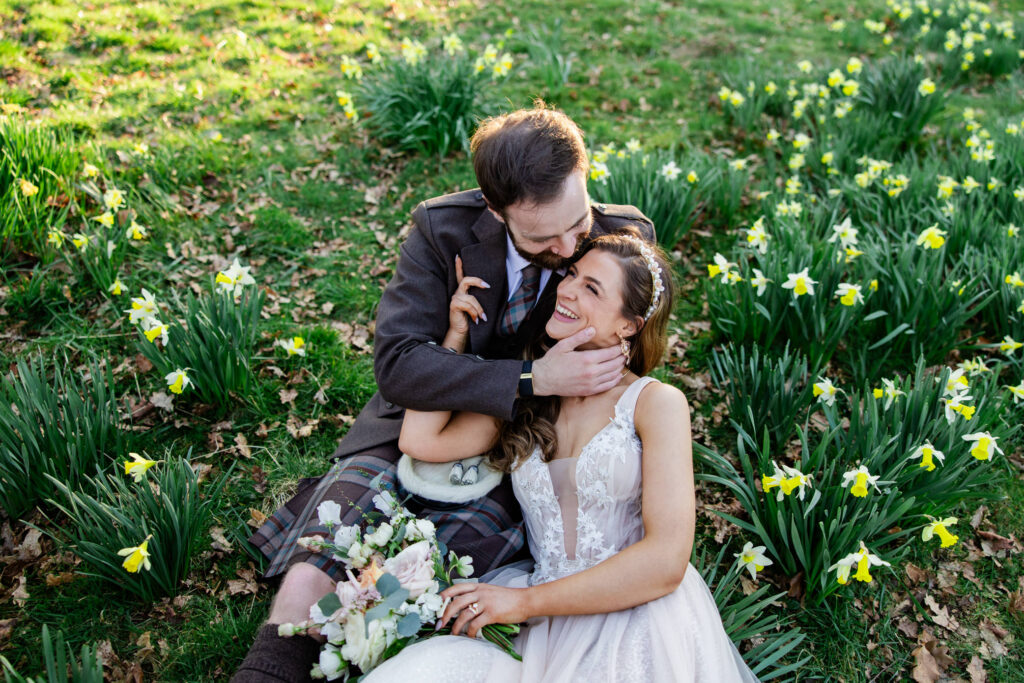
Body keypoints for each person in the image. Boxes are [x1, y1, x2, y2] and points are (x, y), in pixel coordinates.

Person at [233, 106, 655, 682]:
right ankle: (269, 671)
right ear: (494, 207)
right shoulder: (441, 228)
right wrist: (529, 379)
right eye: (541, 235)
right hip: (420, 425)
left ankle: (349, 652)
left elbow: (633, 366)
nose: (567, 247)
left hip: (524, 455)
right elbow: (401, 366)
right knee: (317, 570)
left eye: (576, 223)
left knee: (399, 582)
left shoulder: (620, 239)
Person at [363, 233, 758, 682]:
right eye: (571, 274)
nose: (566, 290)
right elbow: (421, 440)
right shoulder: (534, 392)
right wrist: (453, 339)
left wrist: (523, 602)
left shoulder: (654, 403)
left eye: (592, 288)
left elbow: (667, 561)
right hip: (541, 626)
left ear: (628, 324)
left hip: (638, 615)